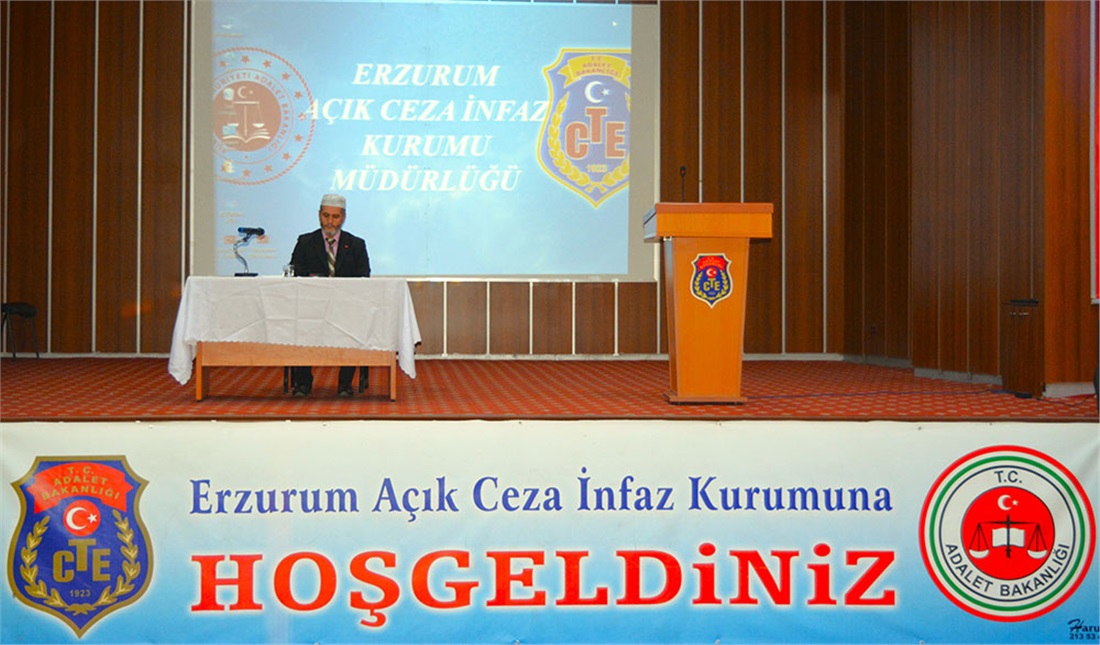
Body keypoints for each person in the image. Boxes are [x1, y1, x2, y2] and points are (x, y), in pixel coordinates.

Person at [288, 193, 371, 397]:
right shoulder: (305, 242)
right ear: (319, 215)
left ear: (343, 217)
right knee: (302, 327)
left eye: (335, 217)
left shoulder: (356, 244)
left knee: (352, 328)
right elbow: (296, 272)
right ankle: (303, 383)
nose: (330, 222)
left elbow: (364, 277)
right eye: (326, 216)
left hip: (346, 307)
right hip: (311, 305)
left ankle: (345, 384)